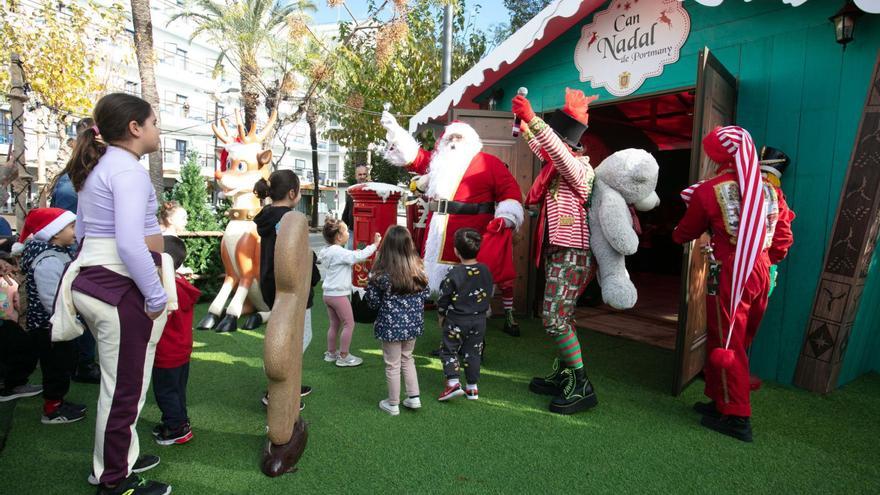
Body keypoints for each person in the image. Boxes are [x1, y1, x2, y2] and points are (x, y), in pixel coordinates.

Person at [52, 93, 173, 494]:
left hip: (95, 279)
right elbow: (129, 242)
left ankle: (116, 460)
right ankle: (114, 478)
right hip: (117, 287)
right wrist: (155, 296)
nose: (158, 129)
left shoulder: (103, 166)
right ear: (135, 128)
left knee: (119, 385)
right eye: (154, 122)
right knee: (124, 390)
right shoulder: (127, 171)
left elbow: (85, 233)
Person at [673, 126, 794, 443]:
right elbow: (782, 240)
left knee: (728, 342)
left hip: (731, 273)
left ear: (717, 158)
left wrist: (677, 235)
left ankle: (738, 417)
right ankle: (720, 400)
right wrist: (765, 262)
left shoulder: (709, 190)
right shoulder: (771, 191)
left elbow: (685, 232)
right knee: (734, 339)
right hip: (761, 271)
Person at [380, 112, 524, 336]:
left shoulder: (489, 163)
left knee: (471, 293)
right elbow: (414, 157)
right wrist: (395, 132)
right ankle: (448, 341)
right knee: (444, 295)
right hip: (439, 236)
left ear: (471, 142)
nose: (454, 143)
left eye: (459, 138)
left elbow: (510, 191)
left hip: (471, 236)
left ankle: (472, 343)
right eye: (450, 139)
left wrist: (506, 216)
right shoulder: (438, 162)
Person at [514, 89, 599, 415]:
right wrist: (525, 124)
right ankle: (566, 372)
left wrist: (533, 118)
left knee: (553, 319)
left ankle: (582, 384)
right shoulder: (558, 166)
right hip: (559, 252)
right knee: (562, 317)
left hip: (572, 253)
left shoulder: (579, 169)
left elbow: (555, 152)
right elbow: (543, 147)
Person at [3, 208, 85, 424]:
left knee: (56, 364)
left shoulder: (56, 252)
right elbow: (50, 296)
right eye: (71, 226)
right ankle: (53, 410)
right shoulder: (48, 259)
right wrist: (66, 318)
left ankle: (55, 401)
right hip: (52, 325)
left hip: (50, 323)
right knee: (57, 366)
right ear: (55, 232)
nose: (76, 230)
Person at [254, 170, 319, 406]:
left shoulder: (267, 217)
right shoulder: (292, 220)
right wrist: (314, 277)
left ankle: (286, 383)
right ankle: (279, 390)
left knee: (283, 333)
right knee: (298, 337)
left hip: (272, 284)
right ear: (293, 193)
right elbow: (301, 255)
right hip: (292, 287)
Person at [365, 225, 429, 415]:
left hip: (390, 327)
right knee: (408, 358)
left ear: (386, 246)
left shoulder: (382, 276)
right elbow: (425, 296)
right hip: (412, 326)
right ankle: (413, 397)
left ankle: (393, 404)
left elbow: (372, 302)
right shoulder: (419, 272)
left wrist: (369, 283)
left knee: (392, 364)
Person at [151, 236, 200, 446]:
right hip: (181, 348)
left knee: (165, 392)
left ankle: (176, 428)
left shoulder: (160, 287)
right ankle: (179, 421)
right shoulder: (180, 282)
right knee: (178, 390)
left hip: (166, 351)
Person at [436, 228, 493, 402]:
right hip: (479, 320)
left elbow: (444, 297)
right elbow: (488, 290)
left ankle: (453, 382)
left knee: (449, 350)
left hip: (457, 320)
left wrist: (440, 314)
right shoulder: (485, 270)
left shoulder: (454, 273)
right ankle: (472, 388)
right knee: (473, 352)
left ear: (456, 251)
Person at [317, 218, 380, 367]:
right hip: (338, 295)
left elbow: (348, 256)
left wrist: (353, 253)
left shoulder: (328, 251)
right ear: (338, 236)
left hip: (328, 294)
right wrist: (375, 245)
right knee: (349, 324)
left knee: (334, 324)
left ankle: (331, 353)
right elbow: (356, 257)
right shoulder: (339, 252)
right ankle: (344, 356)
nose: (347, 233)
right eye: (345, 231)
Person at [341, 164, 370, 249]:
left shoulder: (371, 190)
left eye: (364, 174)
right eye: (360, 174)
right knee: (350, 255)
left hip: (366, 232)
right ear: (356, 176)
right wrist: (341, 230)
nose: (362, 177)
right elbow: (347, 211)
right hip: (352, 231)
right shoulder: (351, 191)